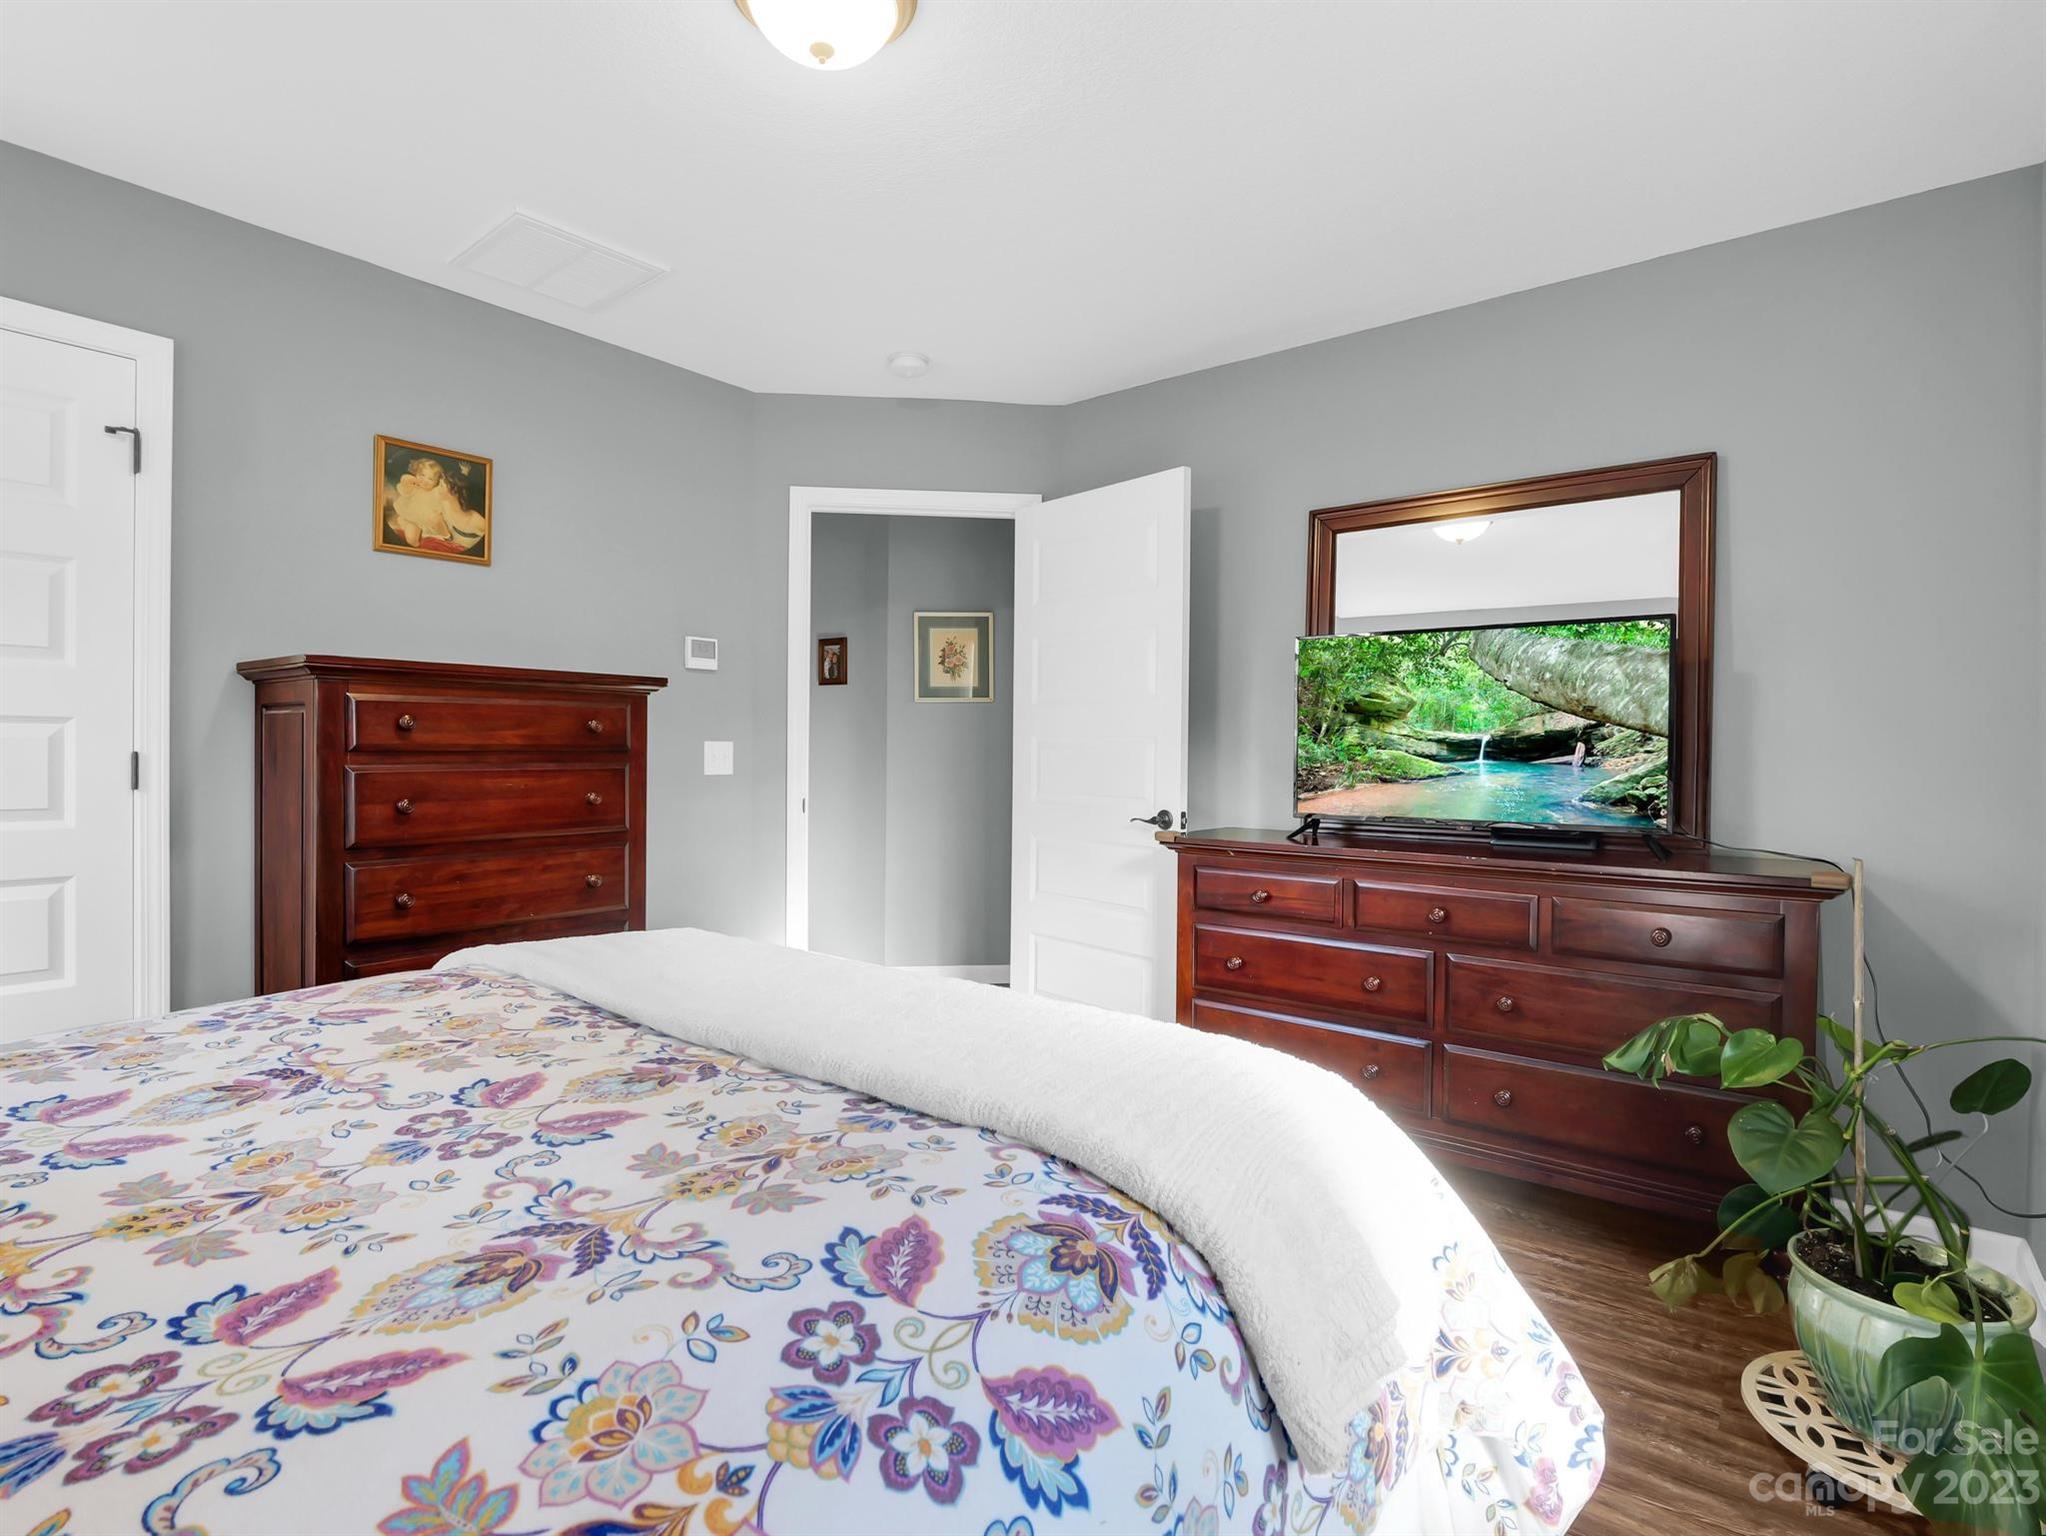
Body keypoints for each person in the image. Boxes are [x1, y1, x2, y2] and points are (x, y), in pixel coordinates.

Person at [387, 456, 486, 554]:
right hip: (413, 519)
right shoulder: (414, 489)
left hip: (428, 524)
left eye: (430, 479)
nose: (425, 480)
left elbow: (455, 485)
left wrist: (464, 473)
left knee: (432, 528)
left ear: (436, 482)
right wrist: (413, 479)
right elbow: (405, 482)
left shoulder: (437, 491)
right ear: (416, 473)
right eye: (422, 475)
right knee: (411, 540)